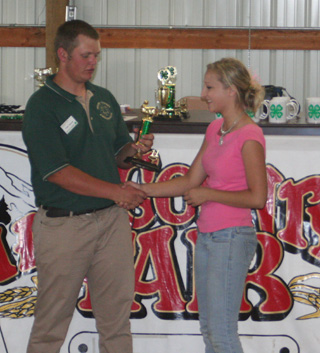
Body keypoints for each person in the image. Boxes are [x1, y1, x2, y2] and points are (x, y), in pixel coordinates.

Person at [22, 20, 154, 353]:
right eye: (86, 55)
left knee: (117, 322)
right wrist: (117, 192)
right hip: (64, 225)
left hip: (110, 222)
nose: (93, 62)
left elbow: (117, 155)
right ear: (63, 54)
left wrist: (133, 151)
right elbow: (57, 172)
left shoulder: (104, 98)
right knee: (51, 324)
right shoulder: (42, 106)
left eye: (97, 55)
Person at [126, 57, 267, 353]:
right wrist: (143, 189)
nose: (203, 94)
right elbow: (191, 180)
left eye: (209, 87)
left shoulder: (249, 135)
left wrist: (209, 195)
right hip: (209, 237)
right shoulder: (216, 129)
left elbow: (257, 197)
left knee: (221, 333)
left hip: (231, 237)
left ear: (231, 90)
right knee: (209, 330)